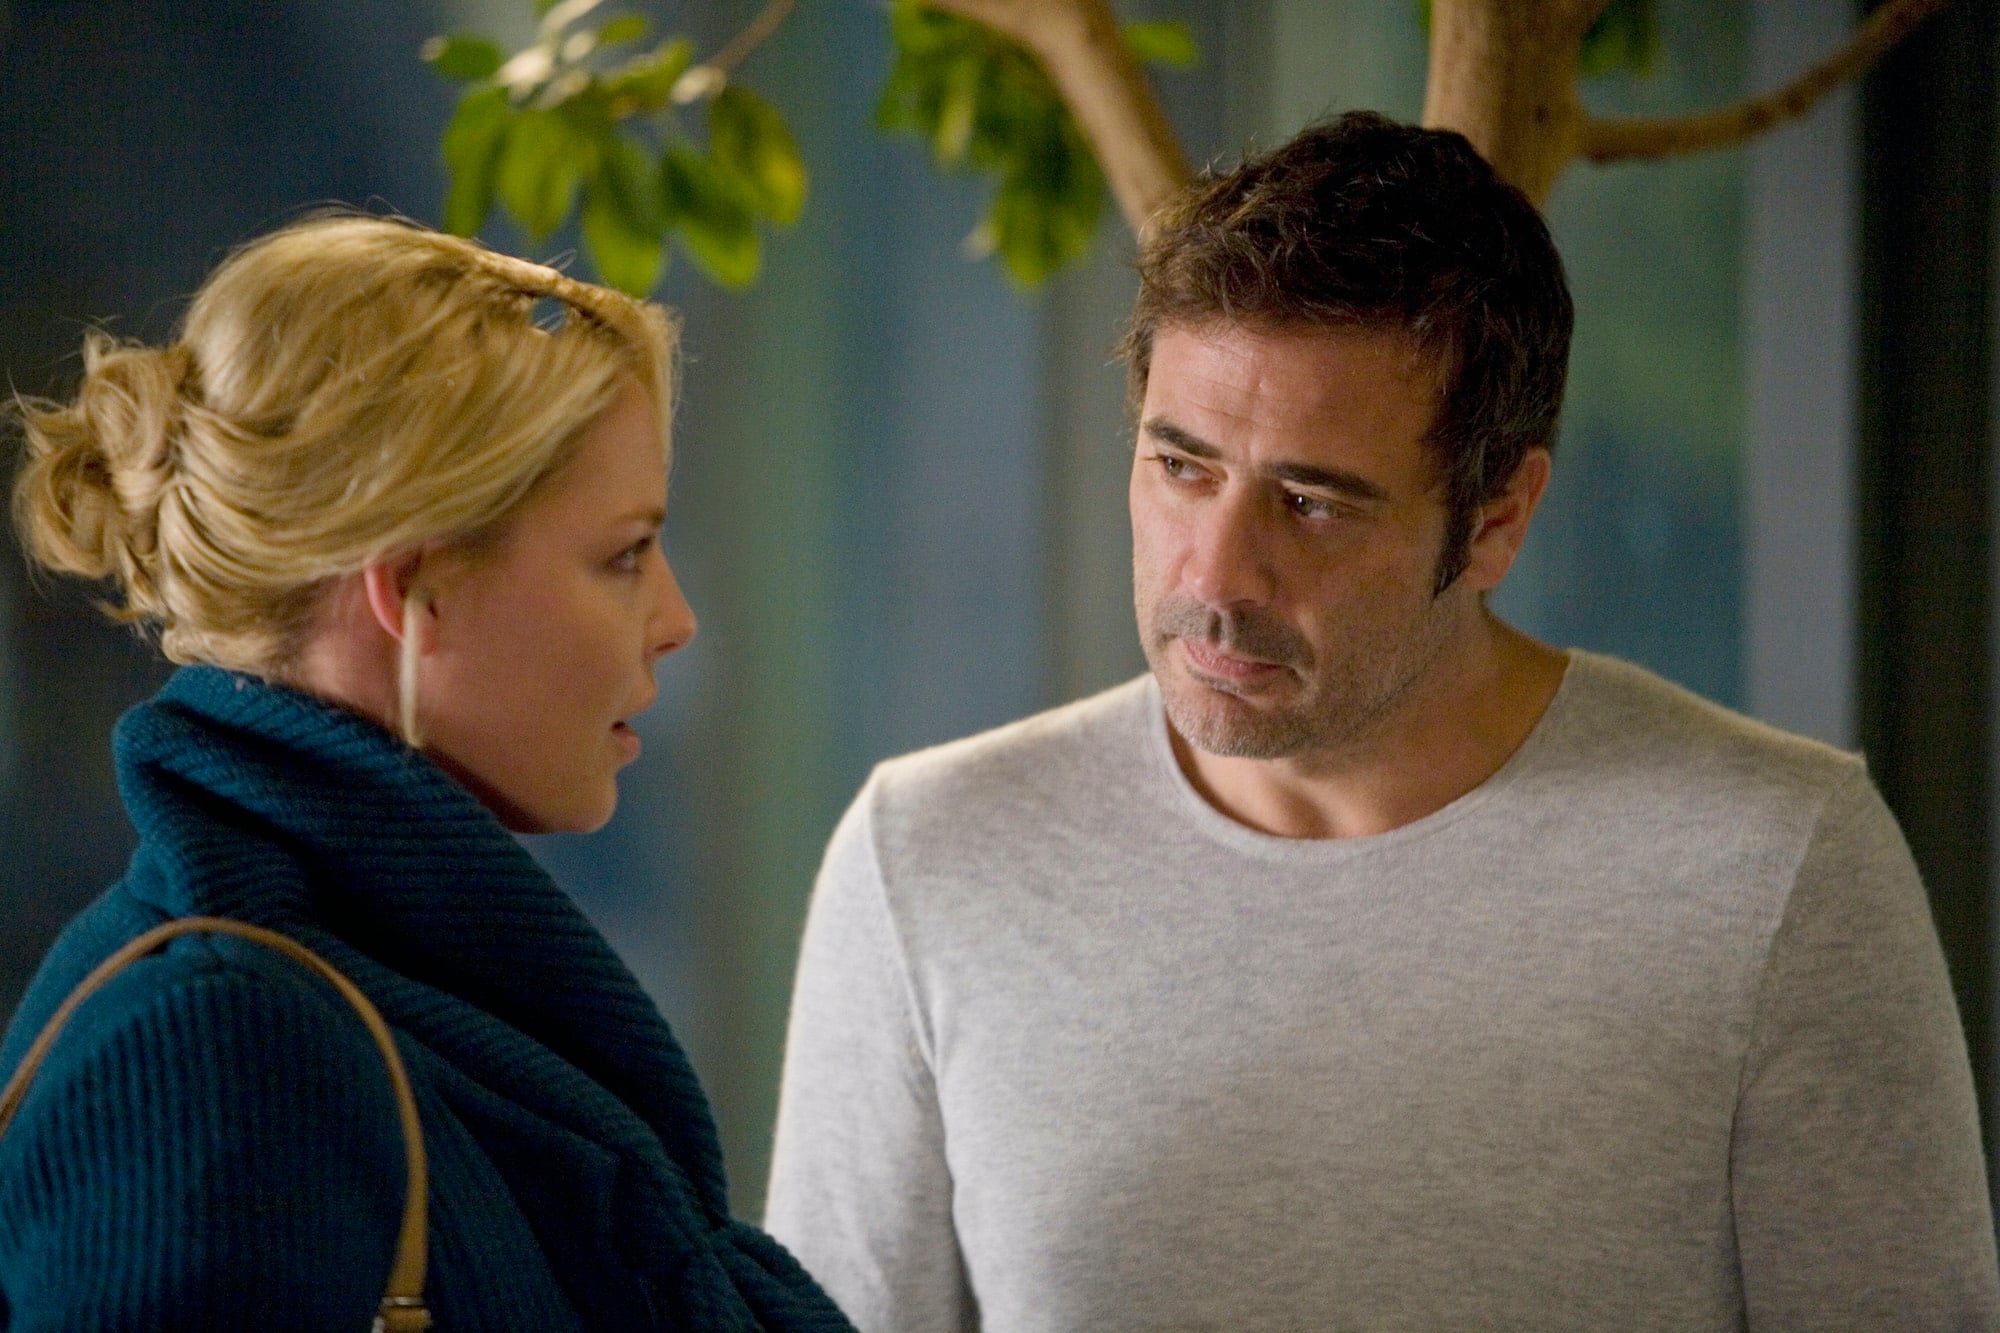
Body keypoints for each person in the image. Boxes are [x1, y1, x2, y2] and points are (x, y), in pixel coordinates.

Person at [763, 113, 2000, 1330]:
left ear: (1497, 519)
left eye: (1311, 503)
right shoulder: (928, 856)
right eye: (1180, 466)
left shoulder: (1777, 867)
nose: (1215, 576)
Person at [0, 216, 852, 1332]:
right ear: (412, 590)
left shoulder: (374, 991)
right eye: (624, 555)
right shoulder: (212, 1048)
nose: (675, 619)